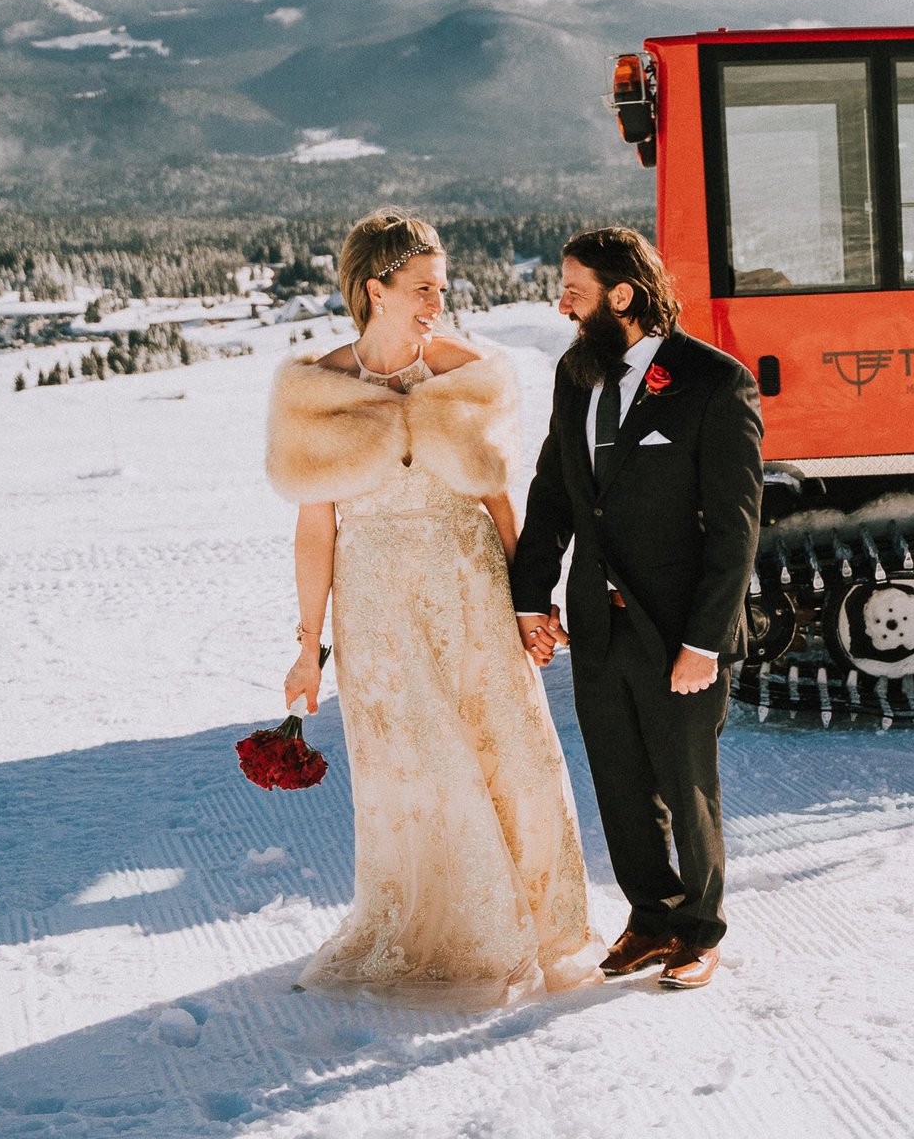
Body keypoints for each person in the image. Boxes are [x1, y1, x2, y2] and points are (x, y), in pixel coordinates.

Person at [265, 208, 600, 1009]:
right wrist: (307, 648)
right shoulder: (317, 391)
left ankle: (540, 925)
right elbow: (316, 528)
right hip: (376, 608)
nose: (435, 305)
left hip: (471, 590)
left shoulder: (468, 374)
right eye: (421, 289)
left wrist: (527, 606)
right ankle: (448, 933)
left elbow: (500, 503)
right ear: (374, 288)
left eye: (441, 290)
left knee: (513, 754)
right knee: (413, 773)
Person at [511, 226, 762, 991]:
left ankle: (702, 929)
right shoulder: (575, 375)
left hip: (682, 629)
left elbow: (735, 528)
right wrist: (530, 598)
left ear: (621, 296)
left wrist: (705, 641)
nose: (561, 304)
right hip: (599, 621)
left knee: (686, 785)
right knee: (619, 782)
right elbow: (554, 491)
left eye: (574, 291)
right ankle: (650, 917)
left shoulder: (715, 383)